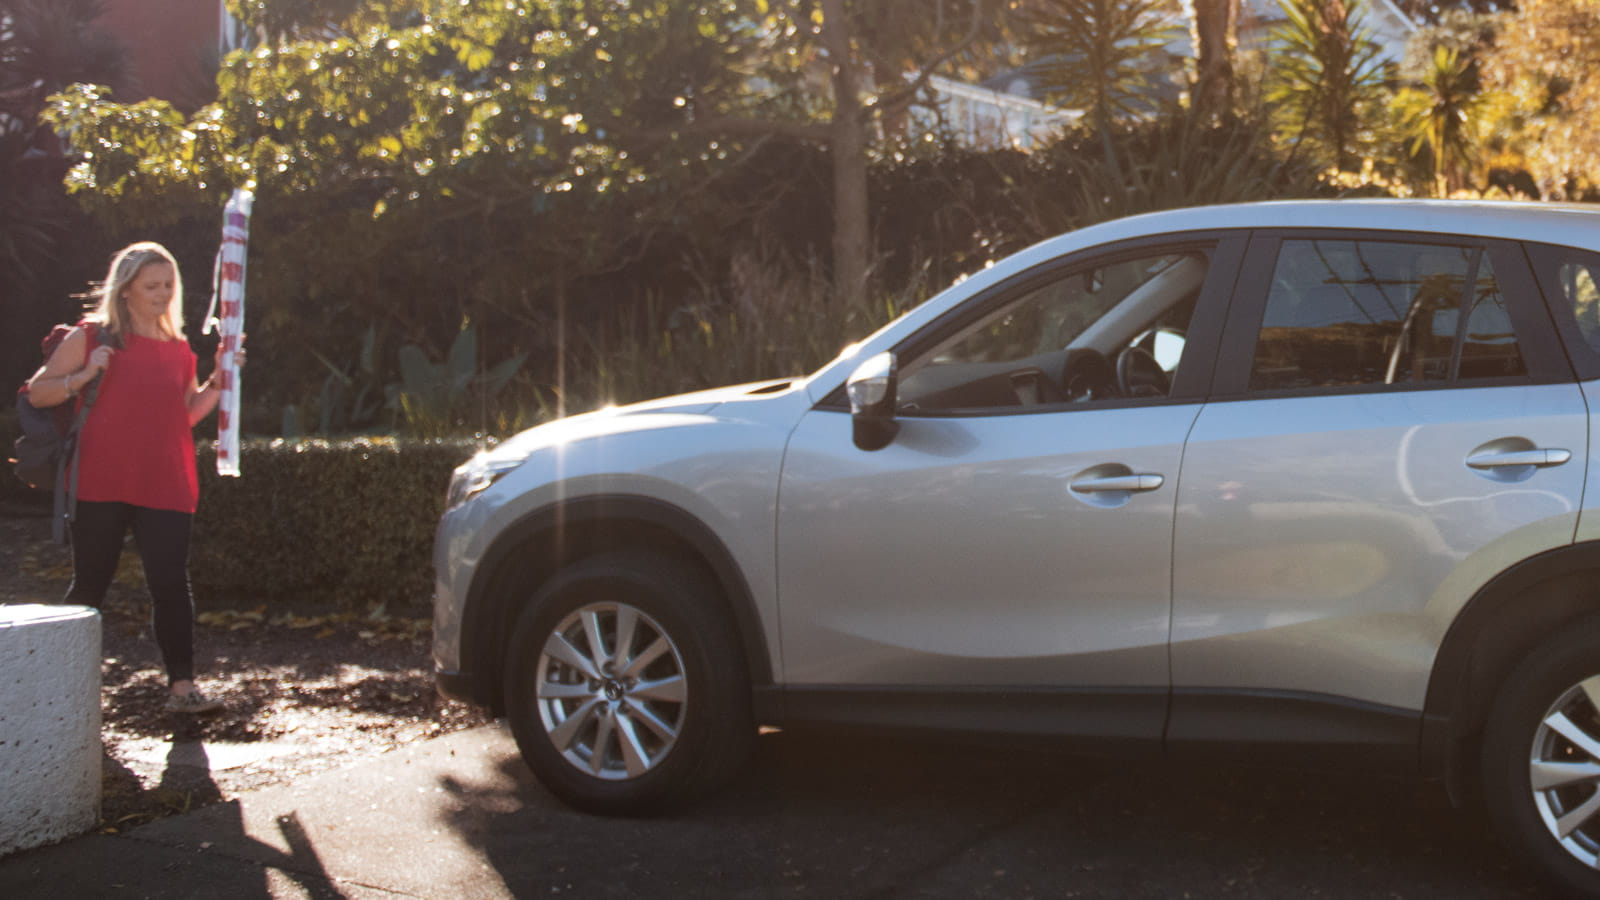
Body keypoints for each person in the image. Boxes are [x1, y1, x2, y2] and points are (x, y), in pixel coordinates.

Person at [25, 241, 245, 714]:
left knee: (170, 583)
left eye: (169, 284)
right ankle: (54, 691)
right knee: (91, 584)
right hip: (101, 482)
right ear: (125, 290)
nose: (164, 293)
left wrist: (218, 384)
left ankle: (183, 690)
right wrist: (83, 376)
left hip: (167, 481)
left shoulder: (178, 347)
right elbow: (38, 393)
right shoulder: (90, 338)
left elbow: (182, 416)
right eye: (152, 286)